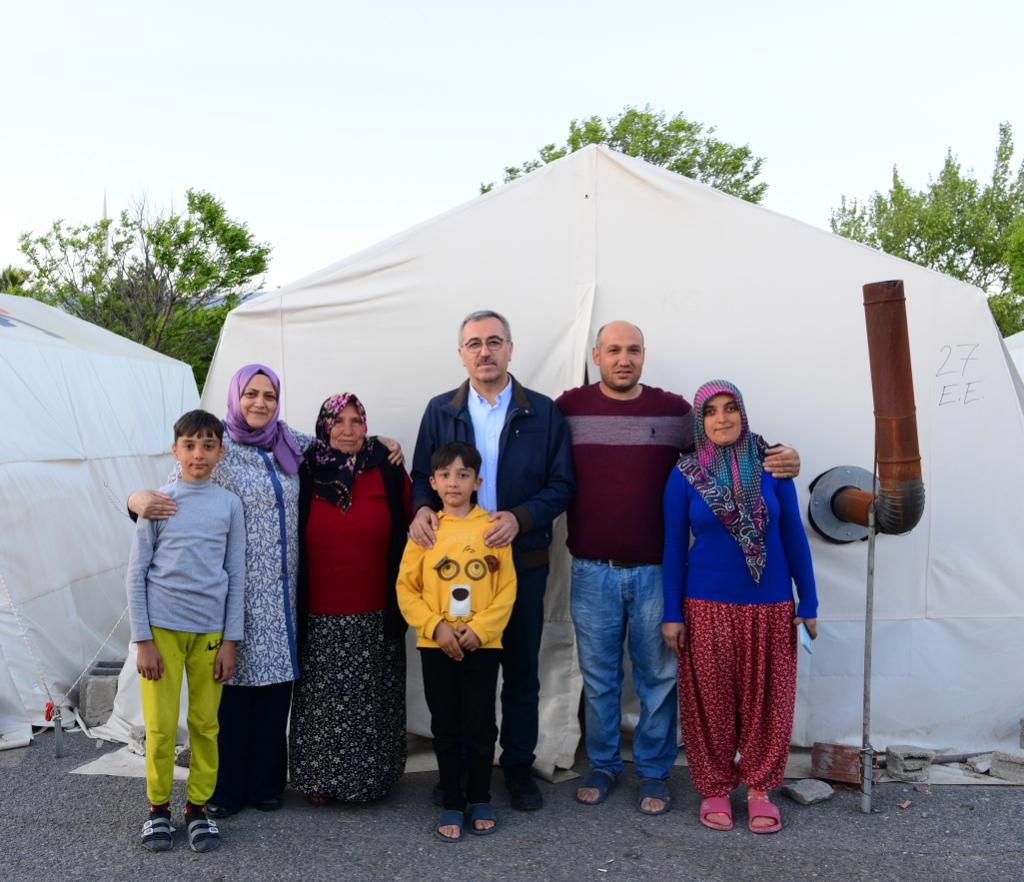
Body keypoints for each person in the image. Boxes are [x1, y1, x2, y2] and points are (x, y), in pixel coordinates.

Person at [128, 364, 403, 818]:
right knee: (230, 687)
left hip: (284, 590)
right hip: (231, 588)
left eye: (269, 396)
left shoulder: (289, 441)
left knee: (275, 686)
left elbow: (338, 437)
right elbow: (170, 488)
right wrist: (134, 500)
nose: (259, 403)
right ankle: (223, 789)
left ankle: (265, 783)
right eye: (251, 394)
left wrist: (383, 442)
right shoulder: (218, 445)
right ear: (236, 398)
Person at [556, 321, 801, 815]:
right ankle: (603, 764)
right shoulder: (568, 409)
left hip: (655, 572)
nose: (623, 359)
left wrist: (783, 455)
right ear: (596, 355)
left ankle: (653, 772)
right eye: (613, 351)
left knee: (658, 678)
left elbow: (728, 441)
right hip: (591, 570)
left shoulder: (674, 413)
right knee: (599, 677)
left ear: (644, 355)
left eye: (633, 350)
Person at [409, 310, 574, 811]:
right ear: (461, 353)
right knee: (458, 674)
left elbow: (562, 485)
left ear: (510, 348)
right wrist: (420, 508)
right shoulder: (441, 410)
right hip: (449, 571)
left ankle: (518, 767)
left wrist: (521, 518)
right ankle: (456, 773)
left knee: (521, 670)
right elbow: (421, 474)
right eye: (474, 343)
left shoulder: (543, 412)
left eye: (494, 342)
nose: (485, 351)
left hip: (519, 562)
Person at [662, 379, 818, 834]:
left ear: (743, 413)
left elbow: (793, 536)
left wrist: (807, 600)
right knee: (709, 702)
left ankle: (759, 789)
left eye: (730, 409)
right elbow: (673, 546)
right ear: (699, 420)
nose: (722, 418)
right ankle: (714, 787)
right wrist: (672, 613)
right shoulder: (685, 473)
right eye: (711, 411)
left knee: (767, 702)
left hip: (769, 605)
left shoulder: (771, 466)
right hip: (706, 604)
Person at [127, 409, 245, 853]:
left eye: (208, 445)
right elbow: (135, 574)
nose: (199, 453)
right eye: (190, 445)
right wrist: (143, 640)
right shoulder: (157, 502)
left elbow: (236, 572)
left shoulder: (229, 505)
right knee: (159, 727)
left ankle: (197, 808)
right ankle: (158, 808)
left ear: (221, 451)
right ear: (175, 450)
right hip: (161, 632)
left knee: (205, 724)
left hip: (209, 636)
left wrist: (230, 641)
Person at [289, 393, 411, 804]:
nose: (347, 429)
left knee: (371, 701)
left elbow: (417, 516)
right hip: (319, 609)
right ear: (324, 426)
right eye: (338, 421)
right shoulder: (305, 468)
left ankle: (370, 783)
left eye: (357, 421)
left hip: (376, 609)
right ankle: (319, 782)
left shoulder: (387, 469)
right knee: (322, 701)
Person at [397, 442, 517, 842]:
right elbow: (406, 589)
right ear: (432, 481)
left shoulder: (492, 529)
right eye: (445, 475)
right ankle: (451, 800)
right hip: (436, 646)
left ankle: (480, 796)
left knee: (481, 725)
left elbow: (506, 590)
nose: (454, 482)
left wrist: (481, 629)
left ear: (477, 481)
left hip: (484, 645)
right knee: (445, 725)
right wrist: (435, 627)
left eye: (463, 474)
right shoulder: (425, 531)